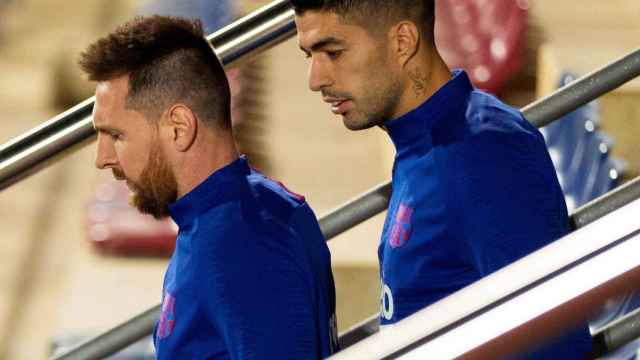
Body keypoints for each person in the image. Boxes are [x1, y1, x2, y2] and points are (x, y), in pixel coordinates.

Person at [290, 0, 591, 357]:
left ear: (403, 42)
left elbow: (554, 344)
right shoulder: (426, 141)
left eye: (333, 52)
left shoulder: (483, 156)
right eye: (310, 56)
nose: (315, 80)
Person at [79, 15, 338, 359]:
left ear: (179, 127)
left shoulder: (243, 247)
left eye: (116, 135)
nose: (103, 158)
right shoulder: (229, 215)